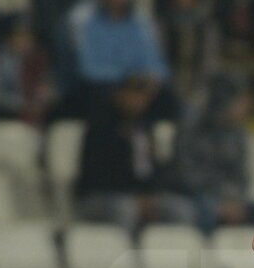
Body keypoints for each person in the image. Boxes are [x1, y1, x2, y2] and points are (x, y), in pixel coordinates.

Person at [75, 74, 197, 233]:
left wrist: (151, 195)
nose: (139, 101)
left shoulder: (144, 127)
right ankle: (123, 249)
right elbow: (96, 174)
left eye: (143, 97)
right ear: (120, 94)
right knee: (125, 209)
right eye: (134, 95)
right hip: (100, 197)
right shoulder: (100, 126)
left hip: (140, 196)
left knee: (181, 209)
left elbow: (150, 170)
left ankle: (167, 250)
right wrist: (134, 197)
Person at [175, 72, 254, 233]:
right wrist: (221, 204)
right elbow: (187, 176)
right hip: (203, 198)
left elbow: (245, 177)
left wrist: (237, 202)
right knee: (204, 211)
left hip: (237, 199)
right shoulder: (191, 133)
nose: (247, 106)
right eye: (241, 100)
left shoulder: (241, 136)